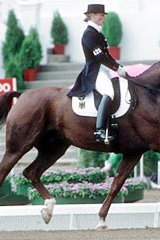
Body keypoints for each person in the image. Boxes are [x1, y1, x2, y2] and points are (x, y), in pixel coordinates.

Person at [67, 4, 128, 144]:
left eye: (103, 15)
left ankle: (113, 123)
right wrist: (116, 68)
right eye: (101, 14)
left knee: (121, 89)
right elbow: (100, 57)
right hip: (96, 71)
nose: (103, 17)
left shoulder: (98, 33)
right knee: (109, 92)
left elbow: (107, 55)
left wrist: (118, 67)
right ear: (92, 15)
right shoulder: (89, 34)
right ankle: (100, 130)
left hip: (104, 69)